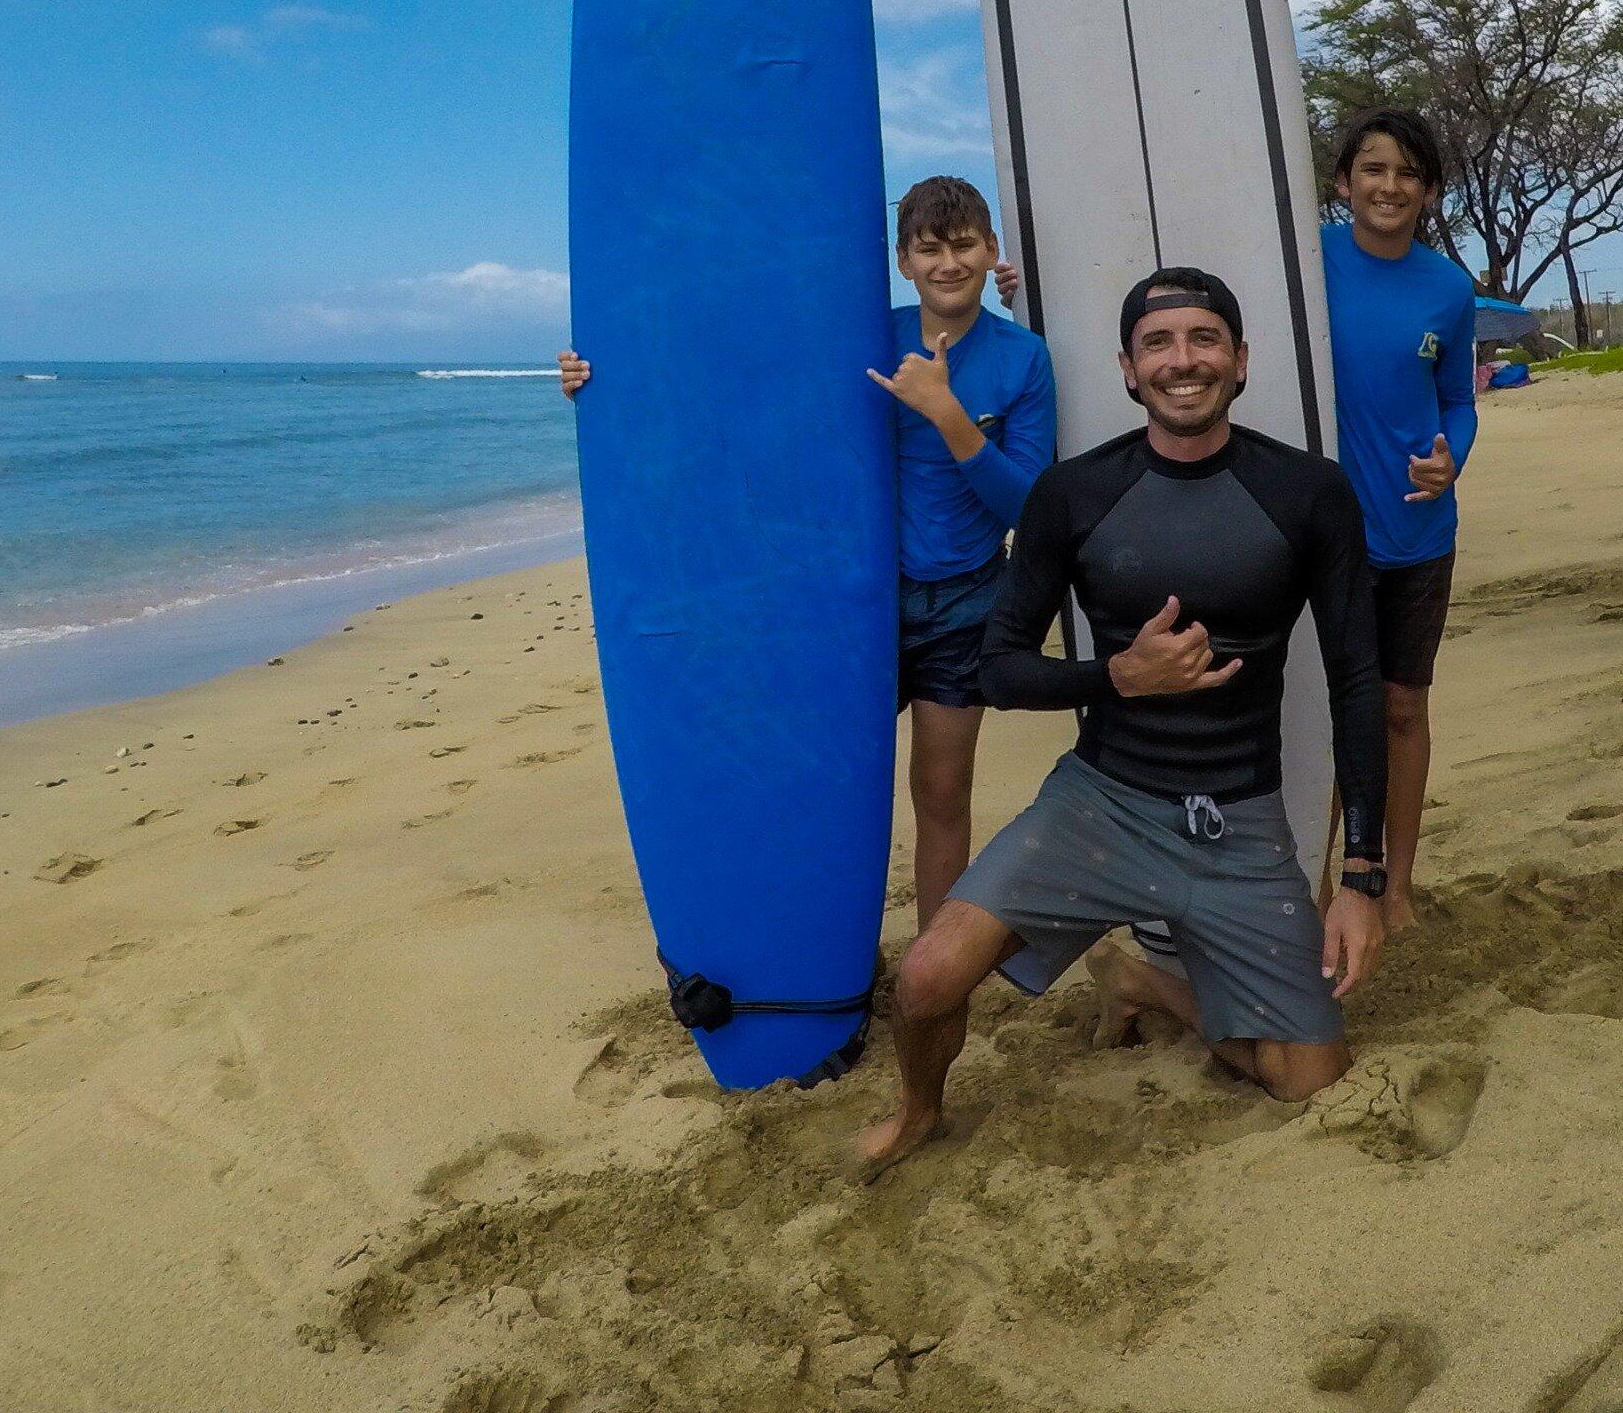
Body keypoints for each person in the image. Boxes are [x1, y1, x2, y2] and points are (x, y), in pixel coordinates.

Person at [857, 267, 1388, 1172]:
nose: (1184, 360)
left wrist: (1363, 878)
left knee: (1311, 1080)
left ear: (1242, 360)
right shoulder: (1070, 495)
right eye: (1160, 343)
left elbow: (1358, 681)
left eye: (1204, 339)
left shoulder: (1310, 492)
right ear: (1128, 369)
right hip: (1098, 808)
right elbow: (1000, 668)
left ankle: (1142, 978)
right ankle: (918, 1113)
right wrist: (1119, 676)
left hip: (1239, 822)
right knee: (926, 976)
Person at [561, 175, 1054, 925]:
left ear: (990, 253)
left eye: (962, 247)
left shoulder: (1023, 359)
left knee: (943, 796)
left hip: (967, 600)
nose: (947, 264)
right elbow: (734, 384)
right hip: (854, 599)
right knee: (816, 785)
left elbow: (1030, 507)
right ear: (902, 261)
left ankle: (930, 971)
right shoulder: (866, 339)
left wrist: (949, 414)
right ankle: (817, 958)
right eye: (928, 249)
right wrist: (604, 382)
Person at [1318, 107, 1478, 934]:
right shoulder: (1304, 260)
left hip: (1418, 530)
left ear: (1428, 192)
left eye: (1408, 173)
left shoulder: (1449, 288)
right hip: (1323, 536)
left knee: (1403, 707)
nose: (1389, 186)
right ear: (1343, 182)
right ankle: (1330, 887)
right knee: (1329, 714)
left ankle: (1398, 883)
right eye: (1372, 169)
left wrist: (1454, 455)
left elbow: (1456, 397)